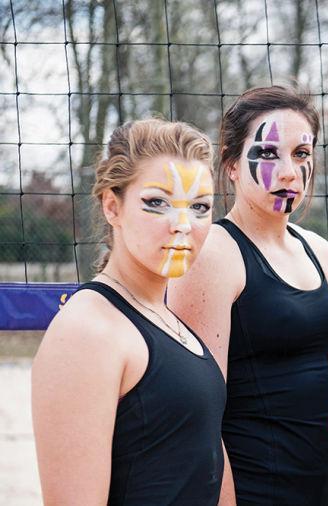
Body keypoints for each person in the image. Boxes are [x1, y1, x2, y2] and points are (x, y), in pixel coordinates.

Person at [168, 86, 328, 505]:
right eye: (268, 153)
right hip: (254, 489)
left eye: (301, 154)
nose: (288, 171)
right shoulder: (213, 252)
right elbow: (199, 415)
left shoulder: (318, 251)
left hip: (319, 486)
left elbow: (322, 389)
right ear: (231, 165)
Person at [32, 119, 224, 504]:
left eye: (200, 207)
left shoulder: (165, 316)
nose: (183, 225)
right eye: (157, 203)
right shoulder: (87, 331)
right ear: (111, 206)